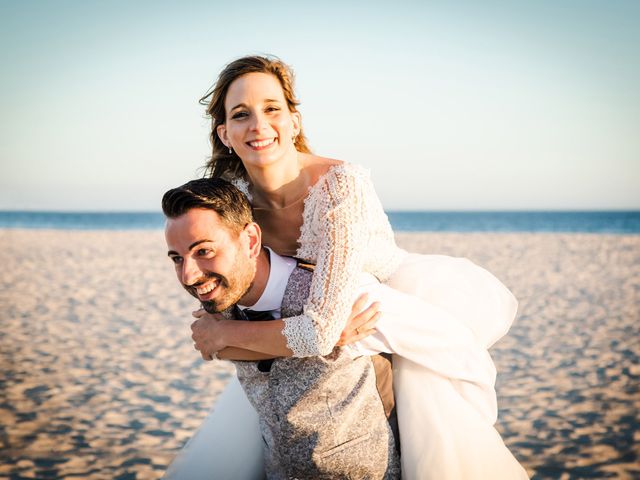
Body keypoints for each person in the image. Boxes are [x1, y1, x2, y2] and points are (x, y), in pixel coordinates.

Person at [192, 55, 529, 479]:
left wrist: (228, 334)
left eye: (272, 109)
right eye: (241, 115)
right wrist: (226, 334)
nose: (258, 124)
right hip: (305, 310)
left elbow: (311, 330)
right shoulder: (231, 202)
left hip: (379, 299)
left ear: (294, 122)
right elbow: (210, 335)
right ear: (225, 134)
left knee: (435, 435)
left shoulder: (339, 184)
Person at [162, 178, 402, 479]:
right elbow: (212, 346)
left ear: (250, 241)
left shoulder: (339, 300)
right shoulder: (220, 311)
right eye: (177, 259)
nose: (188, 275)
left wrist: (327, 337)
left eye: (204, 252)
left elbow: (441, 340)